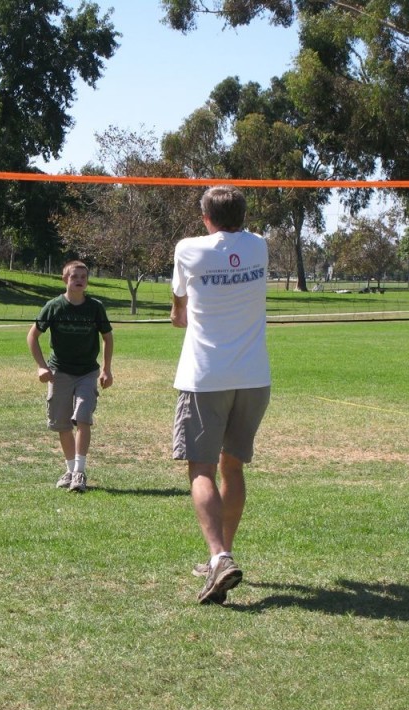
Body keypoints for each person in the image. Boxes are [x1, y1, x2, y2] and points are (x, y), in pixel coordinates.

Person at [170, 185, 271, 605]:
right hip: (254, 378)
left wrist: (185, 311)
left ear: (206, 217)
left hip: (205, 378)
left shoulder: (188, 249)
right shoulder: (261, 246)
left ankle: (218, 556)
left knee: (201, 470)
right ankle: (221, 557)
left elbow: (178, 313)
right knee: (233, 469)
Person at [28, 260, 114, 493]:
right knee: (62, 424)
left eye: (84, 277)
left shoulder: (95, 307)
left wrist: (106, 369)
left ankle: (79, 473)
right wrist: (41, 367)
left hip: (87, 372)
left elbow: (107, 338)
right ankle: (69, 469)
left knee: (83, 417)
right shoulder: (54, 306)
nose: (79, 280)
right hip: (60, 373)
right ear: (64, 279)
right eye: (75, 276)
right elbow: (32, 336)